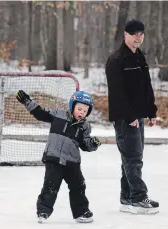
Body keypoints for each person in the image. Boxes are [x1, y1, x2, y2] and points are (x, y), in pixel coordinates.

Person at [16, 90, 101, 223]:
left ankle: (81, 212)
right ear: (72, 106)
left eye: (85, 111)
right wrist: (27, 102)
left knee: (78, 186)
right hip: (54, 159)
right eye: (79, 109)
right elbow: (41, 113)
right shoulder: (58, 115)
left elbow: (85, 145)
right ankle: (43, 211)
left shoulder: (85, 126)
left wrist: (93, 144)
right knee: (50, 186)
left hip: (72, 162)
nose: (82, 113)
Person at [105, 19, 159, 214]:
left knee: (130, 158)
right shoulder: (116, 59)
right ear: (125, 35)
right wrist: (129, 116)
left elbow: (146, 87)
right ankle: (138, 197)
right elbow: (117, 92)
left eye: (141, 33)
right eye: (134, 33)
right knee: (133, 158)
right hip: (125, 118)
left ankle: (126, 197)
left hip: (138, 117)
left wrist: (151, 111)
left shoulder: (139, 57)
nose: (138, 36)